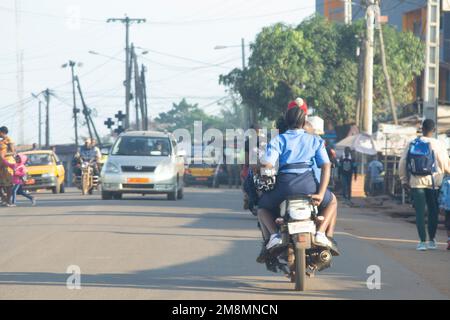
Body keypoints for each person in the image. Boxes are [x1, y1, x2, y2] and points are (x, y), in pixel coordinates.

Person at [257, 99, 338, 252]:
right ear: (304, 121)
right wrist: (320, 194)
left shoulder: (278, 140)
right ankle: (321, 234)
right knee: (332, 202)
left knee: (262, 208)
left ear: (286, 121)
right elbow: (326, 166)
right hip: (309, 186)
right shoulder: (315, 140)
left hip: (284, 187)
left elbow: (267, 164)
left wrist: (264, 174)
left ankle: (274, 236)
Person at [399, 119, 450, 251]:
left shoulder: (413, 142)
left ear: (422, 129)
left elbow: (403, 163)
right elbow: (445, 163)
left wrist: (404, 180)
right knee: (433, 211)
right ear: (434, 130)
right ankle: (432, 240)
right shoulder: (438, 144)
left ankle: (422, 242)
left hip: (416, 182)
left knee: (420, 213)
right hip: (434, 183)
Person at [0, 126, 15, 206]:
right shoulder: (1, 141)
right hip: (1, 164)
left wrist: (3, 155)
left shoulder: (9, 140)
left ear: (3, 132)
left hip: (8, 163)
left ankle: (8, 201)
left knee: (8, 184)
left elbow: (13, 152)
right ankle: (3, 198)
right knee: (1, 184)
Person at [438, 174, 450, 250]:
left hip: (448, 206)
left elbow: (442, 193)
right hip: (447, 206)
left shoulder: (447, 180)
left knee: (448, 224)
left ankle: (449, 240)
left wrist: (441, 205)